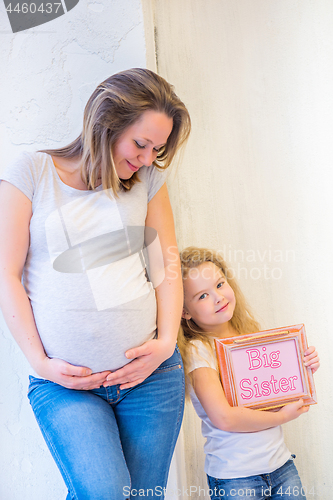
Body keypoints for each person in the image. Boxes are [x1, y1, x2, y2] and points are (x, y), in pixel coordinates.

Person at [0, 68, 191, 499]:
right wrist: (40, 362)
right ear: (105, 122)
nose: (145, 159)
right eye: (140, 144)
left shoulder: (146, 181)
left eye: (156, 149)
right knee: (105, 493)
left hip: (150, 378)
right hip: (64, 385)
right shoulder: (31, 172)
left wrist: (164, 343)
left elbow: (167, 266)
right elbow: (6, 274)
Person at [178, 247, 320, 500]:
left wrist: (303, 368)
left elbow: (273, 395)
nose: (218, 297)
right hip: (236, 477)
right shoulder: (199, 351)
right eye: (202, 296)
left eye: (220, 284)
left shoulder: (250, 336)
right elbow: (225, 419)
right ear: (184, 312)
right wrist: (282, 417)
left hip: (281, 465)